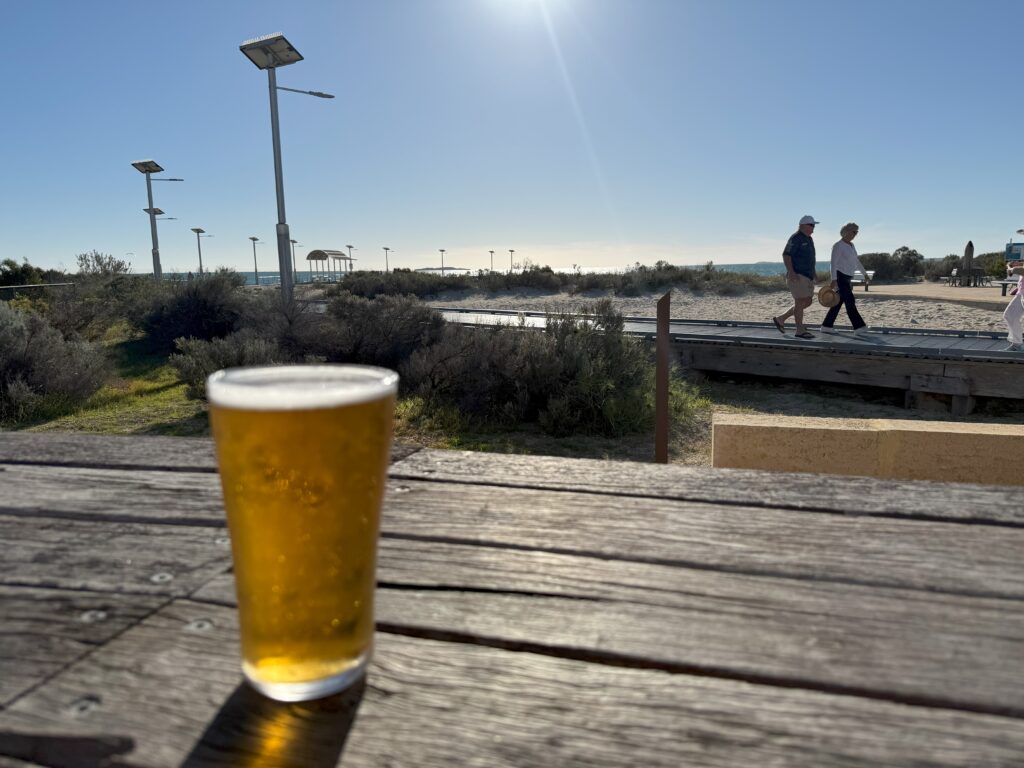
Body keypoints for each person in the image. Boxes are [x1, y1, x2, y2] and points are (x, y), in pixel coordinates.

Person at [820, 222, 871, 337]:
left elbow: (856, 261)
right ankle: (859, 327)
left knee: (837, 302)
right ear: (847, 231)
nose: (855, 234)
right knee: (850, 300)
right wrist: (834, 279)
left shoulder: (851, 246)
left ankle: (826, 326)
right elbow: (833, 264)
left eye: (857, 232)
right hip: (840, 277)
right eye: (854, 232)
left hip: (847, 277)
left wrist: (865, 274)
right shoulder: (838, 245)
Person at [773, 215, 818, 339]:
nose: (813, 228)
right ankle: (799, 330)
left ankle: (781, 319)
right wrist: (791, 272)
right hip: (797, 275)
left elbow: (811, 258)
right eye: (811, 225)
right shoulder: (796, 238)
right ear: (803, 225)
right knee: (800, 301)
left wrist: (814, 273)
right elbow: (786, 255)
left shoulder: (809, 239)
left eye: (814, 225)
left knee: (807, 301)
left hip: (807, 276)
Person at [1003, 267, 1024, 352]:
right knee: (1010, 315)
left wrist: (1012, 269)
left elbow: (1020, 271)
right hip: (1021, 293)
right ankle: (1017, 344)